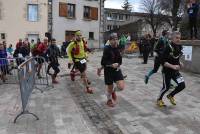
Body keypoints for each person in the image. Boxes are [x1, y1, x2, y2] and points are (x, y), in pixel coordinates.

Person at [157, 31, 186, 107]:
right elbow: (162, 61)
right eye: (176, 38)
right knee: (166, 87)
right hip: (167, 72)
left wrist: (180, 63)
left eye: (179, 38)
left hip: (175, 72)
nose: (178, 39)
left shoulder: (179, 47)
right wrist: (172, 66)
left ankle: (171, 95)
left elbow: (176, 58)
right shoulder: (167, 47)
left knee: (182, 85)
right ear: (172, 38)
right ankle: (159, 99)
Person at [100, 33, 125, 107]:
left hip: (117, 70)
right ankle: (109, 100)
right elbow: (103, 62)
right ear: (110, 40)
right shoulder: (106, 49)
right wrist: (111, 65)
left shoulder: (118, 48)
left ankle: (113, 91)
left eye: (116, 39)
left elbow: (120, 61)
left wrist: (118, 64)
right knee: (109, 88)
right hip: (108, 71)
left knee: (121, 87)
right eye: (113, 40)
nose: (115, 41)